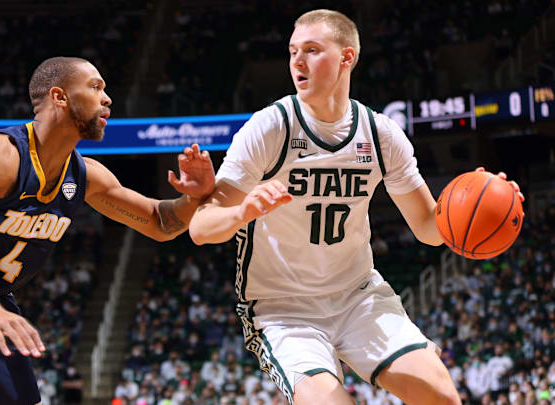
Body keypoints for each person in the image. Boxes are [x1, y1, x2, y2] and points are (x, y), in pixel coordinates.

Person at [188, 9, 523, 405]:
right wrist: (240, 213)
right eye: (293, 50)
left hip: (358, 296)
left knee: (443, 398)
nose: (297, 61)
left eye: (312, 50)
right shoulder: (269, 128)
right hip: (284, 309)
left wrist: (474, 204)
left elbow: (429, 229)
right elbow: (200, 227)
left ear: (347, 57)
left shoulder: (380, 134)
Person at [0, 56, 215, 405]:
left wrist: (193, 198)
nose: (107, 99)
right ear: (59, 96)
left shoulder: (86, 176)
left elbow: (160, 222)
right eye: (95, 87)